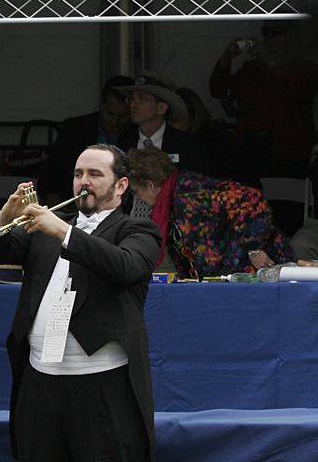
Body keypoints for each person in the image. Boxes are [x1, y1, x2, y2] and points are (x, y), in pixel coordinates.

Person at [0, 144, 161, 462]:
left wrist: (61, 229)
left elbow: (125, 266)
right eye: (78, 172)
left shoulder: (137, 229)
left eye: (95, 174)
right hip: (42, 382)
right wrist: (6, 216)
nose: (83, 181)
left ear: (120, 185)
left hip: (102, 386)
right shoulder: (46, 230)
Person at [209, 20, 318, 235]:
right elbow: (218, 90)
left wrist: (270, 62)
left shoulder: (306, 68)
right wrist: (225, 59)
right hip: (250, 148)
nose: (269, 38)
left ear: (292, 37)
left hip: (289, 152)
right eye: (265, 32)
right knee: (249, 208)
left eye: (276, 33)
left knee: (288, 212)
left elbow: (299, 91)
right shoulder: (251, 69)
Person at [126, 147, 292, 278]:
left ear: (150, 184)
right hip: (227, 278)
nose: (138, 198)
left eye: (136, 191)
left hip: (256, 273)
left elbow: (251, 200)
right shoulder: (172, 202)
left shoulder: (192, 193)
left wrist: (252, 248)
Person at [38, 75, 135, 203]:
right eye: (110, 113)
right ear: (102, 104)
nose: (114, 121)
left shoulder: (138, 133)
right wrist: (54, 200)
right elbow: (50, 174)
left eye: (123, 116)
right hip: (73, 208)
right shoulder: (75, 129)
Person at [115, 71, 210, 177]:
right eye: (131, 98)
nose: (132, 104)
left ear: (161, 108)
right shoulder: (122, 146)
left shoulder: (188, 146)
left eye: (141, 98)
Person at [170, 86, 255, 186]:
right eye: (167, 116)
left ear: (192, 117)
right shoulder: (172, 142)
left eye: (177, 117)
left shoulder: (215, 144)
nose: (170, 122)